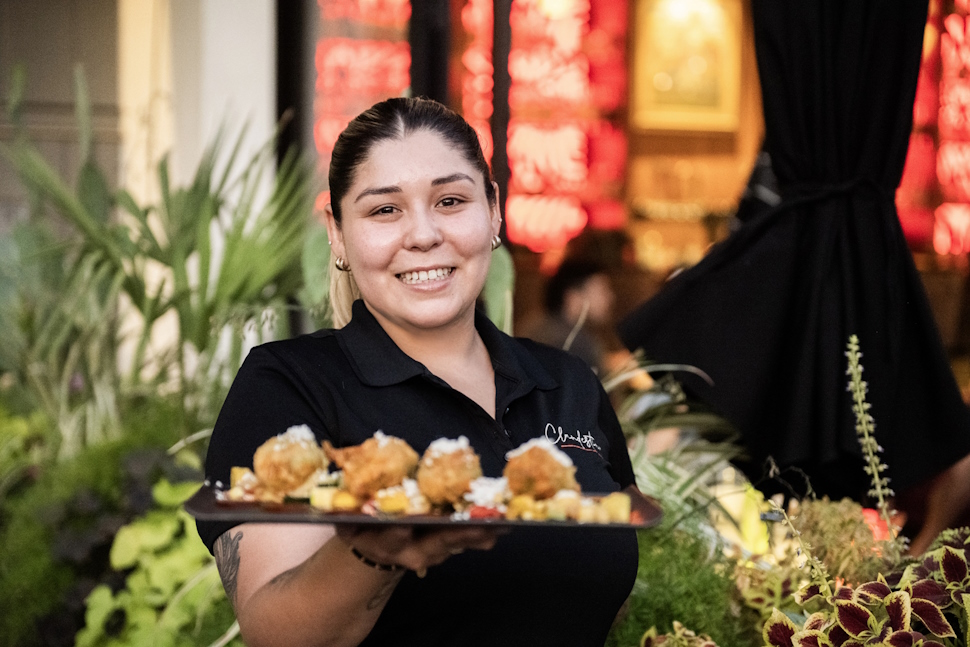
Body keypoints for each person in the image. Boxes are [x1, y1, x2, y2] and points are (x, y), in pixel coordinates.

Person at [196, 97, 650, 647]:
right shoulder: (288, 387)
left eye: (451, 200)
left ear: (494, 212)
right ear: (337, 234)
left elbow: (605, 587)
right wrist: (371, 550)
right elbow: (276, 636)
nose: (423, 234)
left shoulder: (569, 383)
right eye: (385, 210)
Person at [520, 259, 615, 372]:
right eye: (603, 290)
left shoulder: (536, 327)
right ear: (573, 297)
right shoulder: (573, 344)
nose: (611, 297)